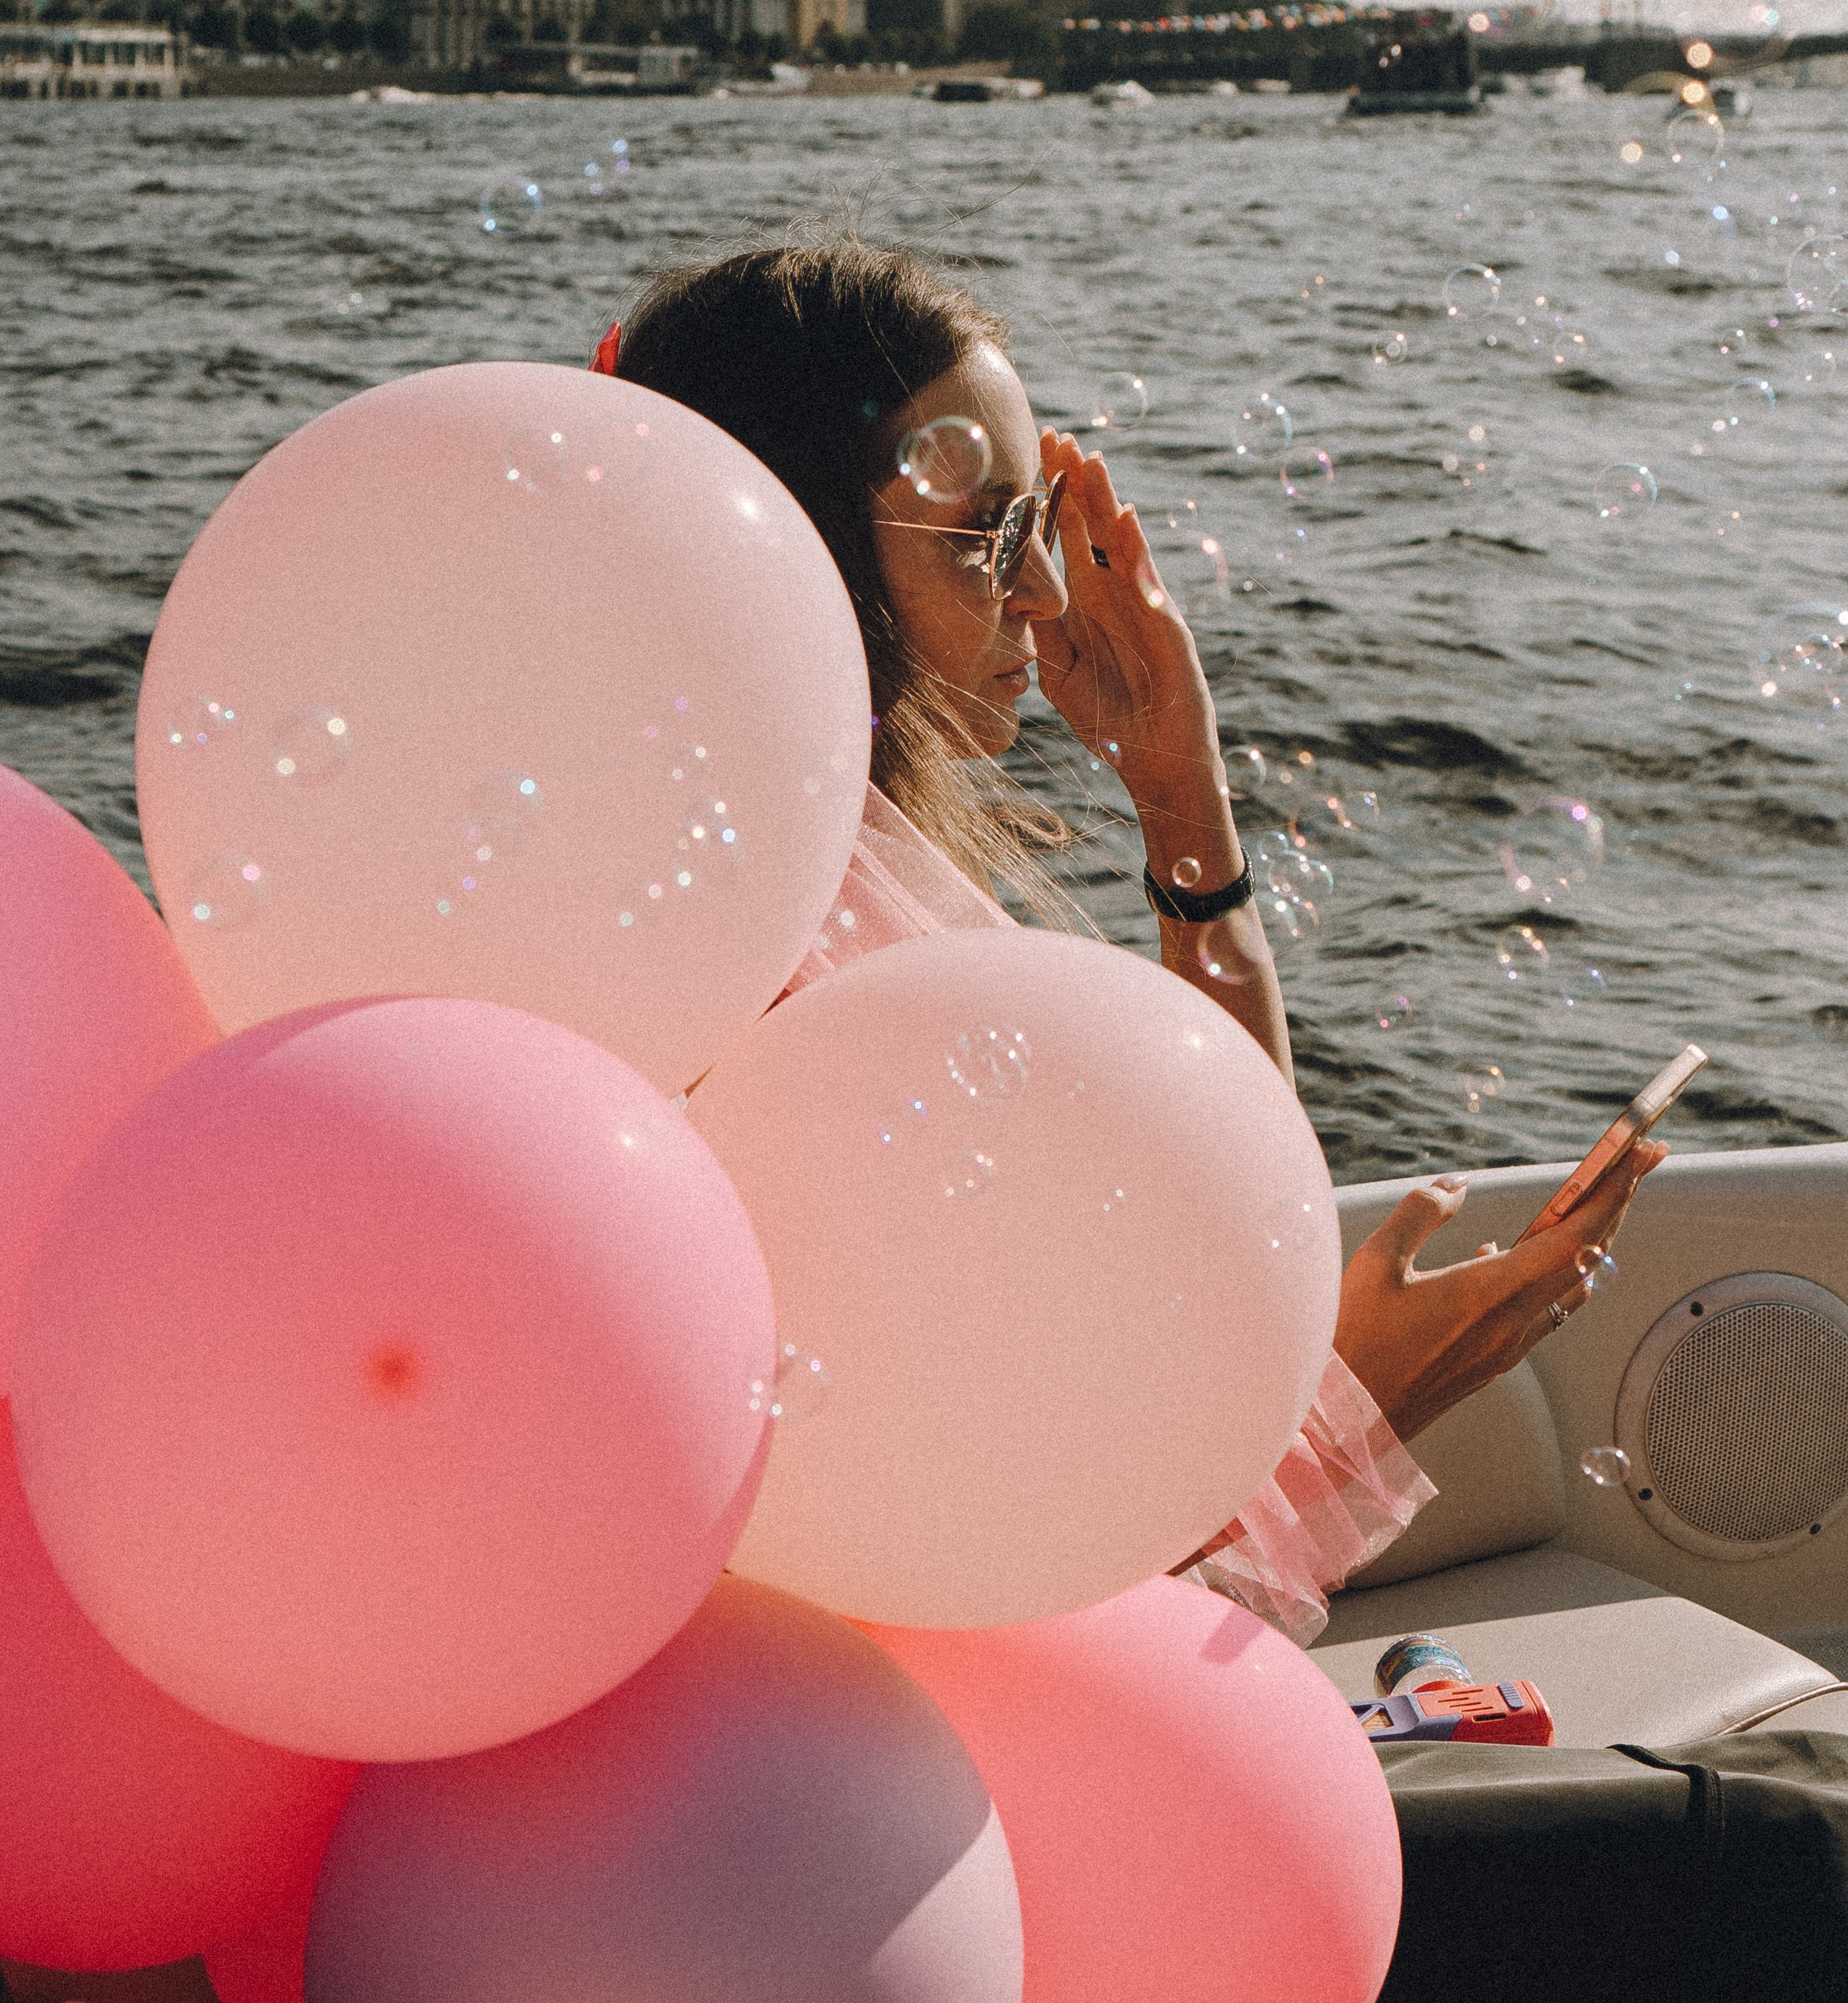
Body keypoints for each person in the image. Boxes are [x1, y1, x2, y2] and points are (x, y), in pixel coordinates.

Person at [606, 235, 1662, 1638]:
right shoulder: (767, 989)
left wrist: (1182, 797)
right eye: (986, 538)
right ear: (798, 544)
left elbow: (1223, 1242)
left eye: (1037, 523)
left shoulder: (775, 881)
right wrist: (1357, 1399)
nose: (1043, 596)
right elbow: (992, 1579)